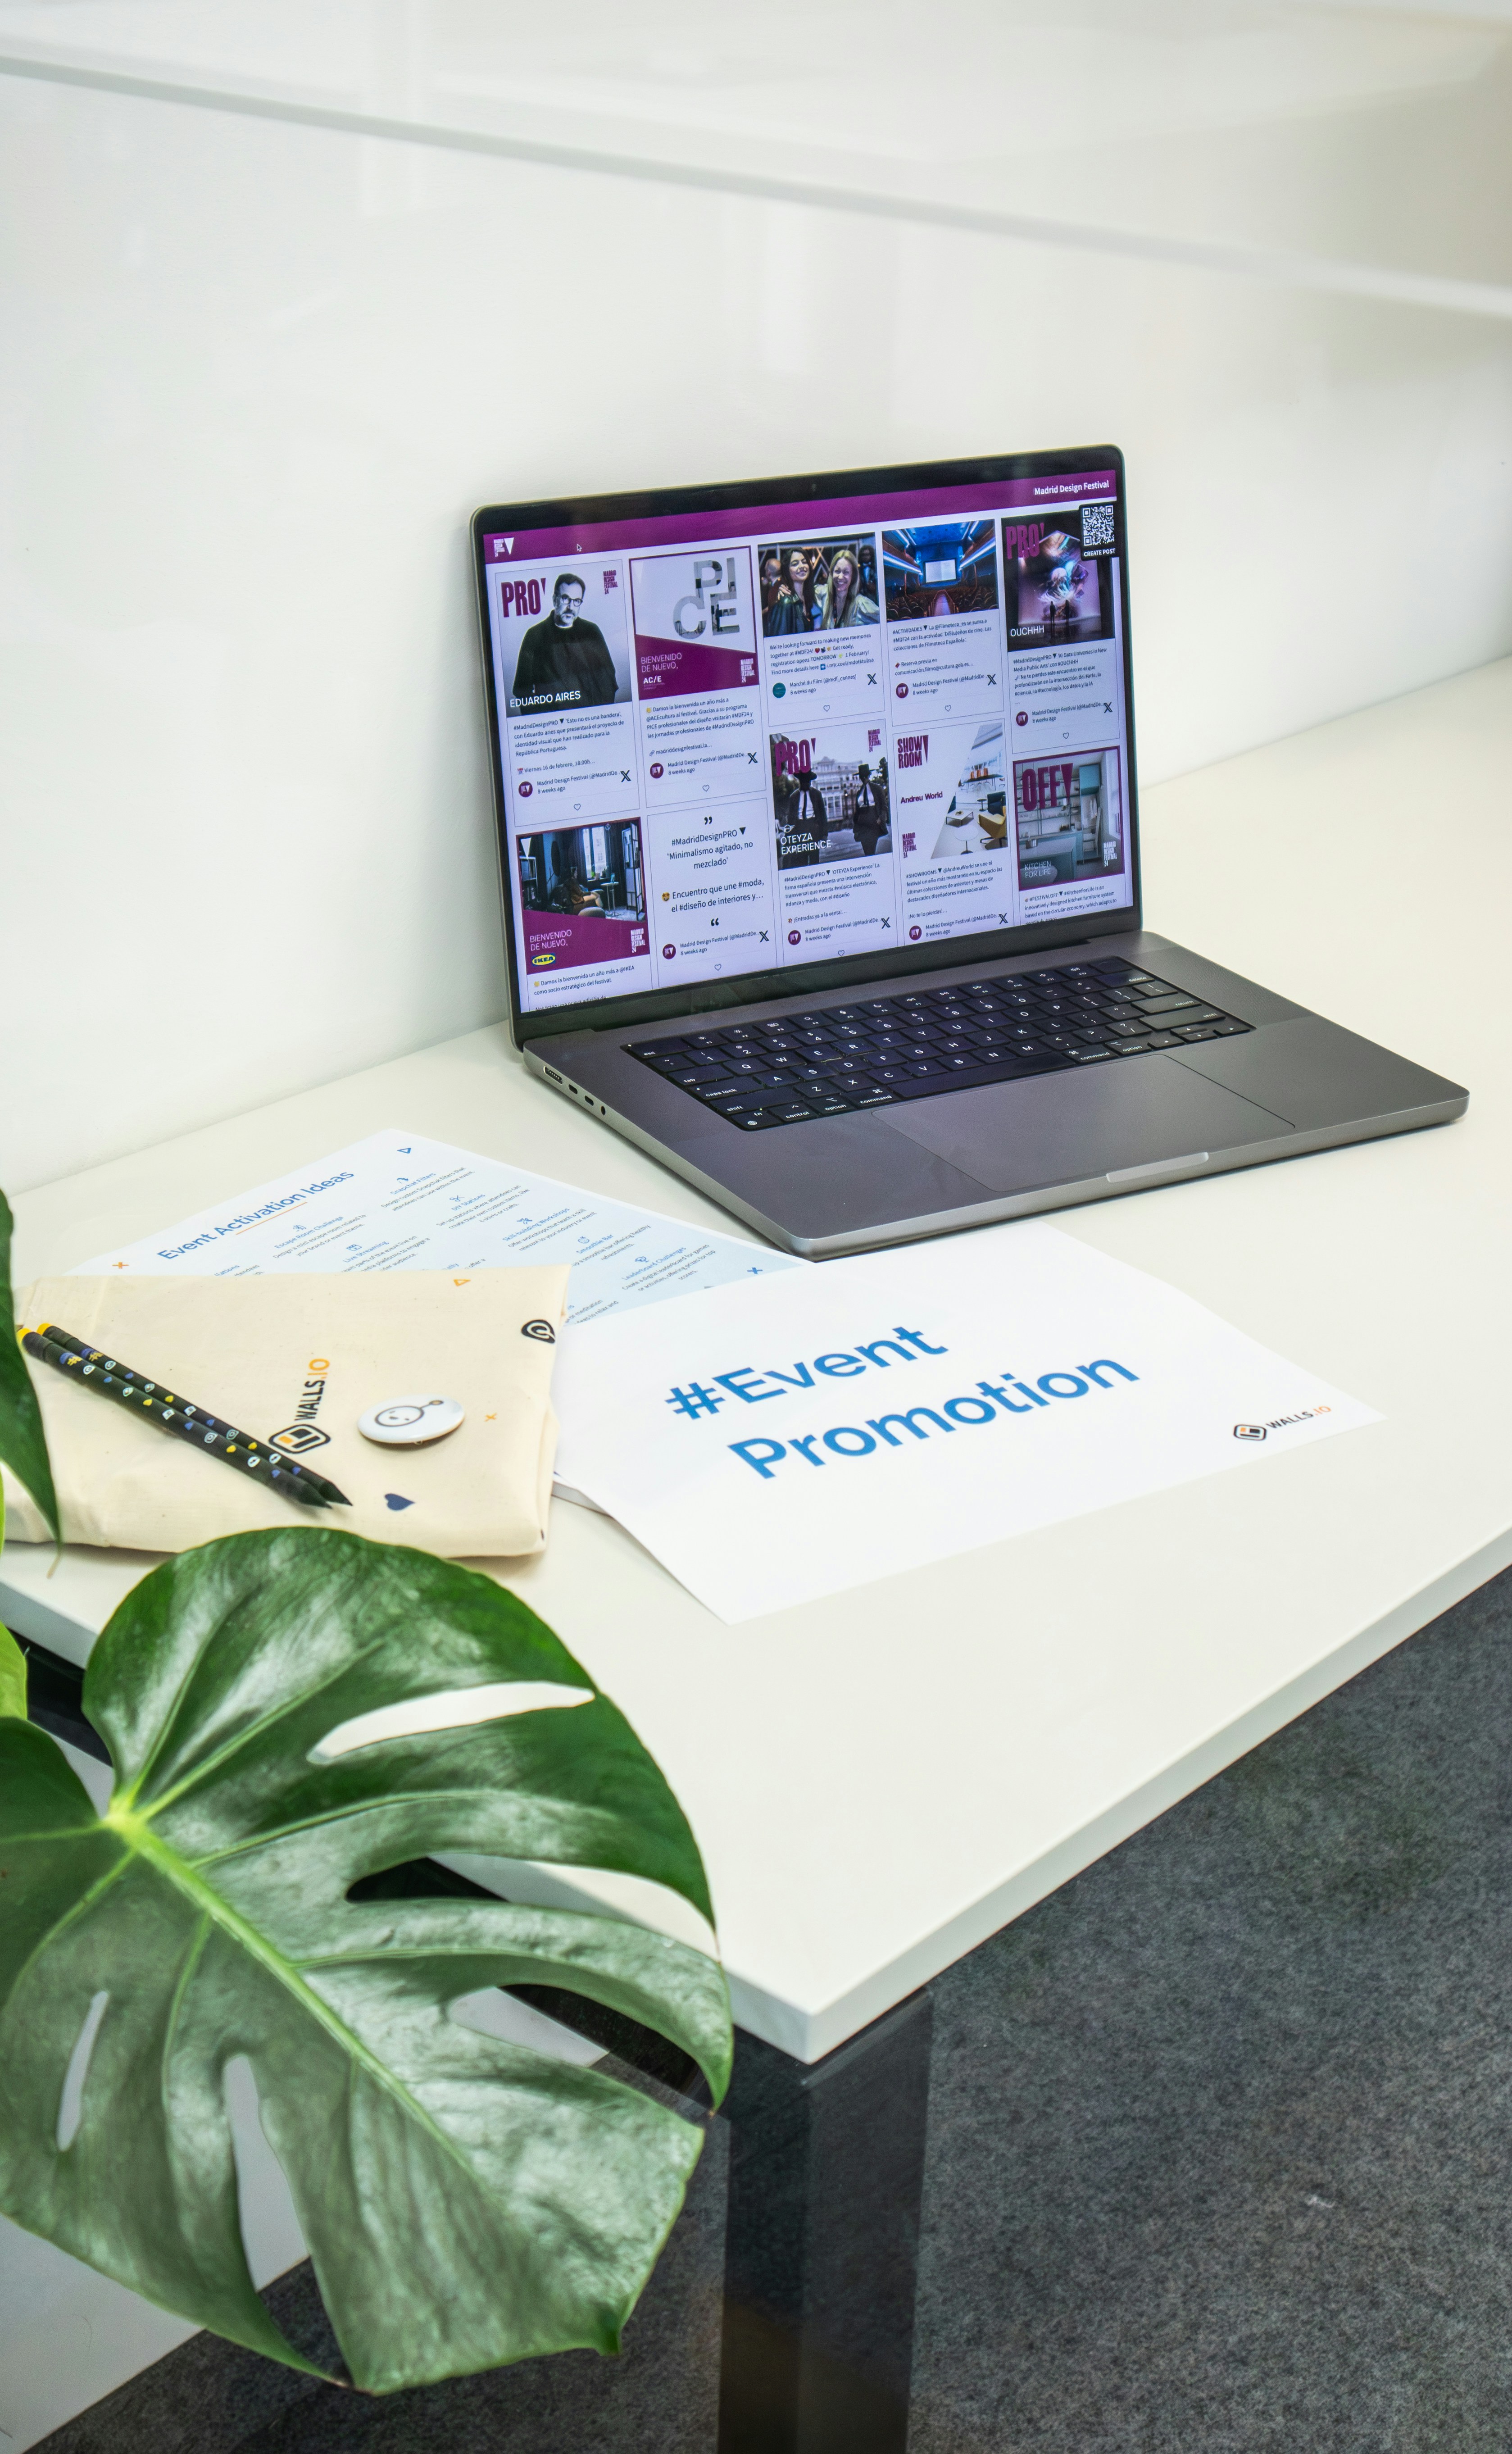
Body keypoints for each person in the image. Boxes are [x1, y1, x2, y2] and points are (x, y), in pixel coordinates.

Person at [510, 573, 618, 712]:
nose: (571, 607)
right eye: (566, 599)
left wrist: (600, 716)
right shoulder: (535, 635)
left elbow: (608, 680)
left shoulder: (592, 632)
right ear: (555, 599)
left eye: (577, 601)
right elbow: (521, 690)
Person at [776, 771, 830, 866]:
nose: (805, 784)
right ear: (800, 782)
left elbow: (823, 815)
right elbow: (791, 818)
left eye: (807, 782)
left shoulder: (817, 795)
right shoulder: (794, 797)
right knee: (801, 860)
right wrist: (789, 837)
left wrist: (825, 835)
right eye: (803, 782)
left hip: (813, 828)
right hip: (800, 830)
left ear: (810, 782)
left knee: (814, 860)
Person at [818, 545, 879, 629]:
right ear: (831, 574)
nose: (840, 577)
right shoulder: (823, 595)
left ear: (853, 577)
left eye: (846, 572)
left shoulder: (861, 605)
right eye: (837, 571)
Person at [851, 761, 888, 855]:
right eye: (861, 777)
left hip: (873, 822)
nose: (863, 778)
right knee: (866, 852)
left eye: (865, 776)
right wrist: (856, 824)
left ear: (868, 776)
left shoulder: (877, 789)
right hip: (862, 825)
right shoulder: (859, 793)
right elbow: (857, 811)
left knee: (871, 849)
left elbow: (884, 805)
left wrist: (881, 819)